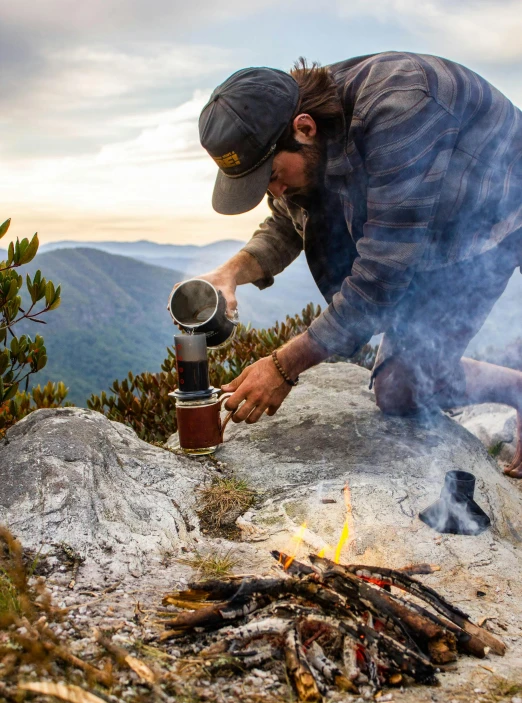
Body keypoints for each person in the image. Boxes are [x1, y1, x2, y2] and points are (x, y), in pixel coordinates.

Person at [192, 53, 522, 477]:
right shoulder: (305, 133)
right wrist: (231, 272)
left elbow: (380, 277)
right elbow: (288, 220)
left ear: (304, 128)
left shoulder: (401, 107)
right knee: (399, 389)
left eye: (271, 176)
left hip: (499, 218)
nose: (273, 191)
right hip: (431, 231)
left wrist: (283, 366)